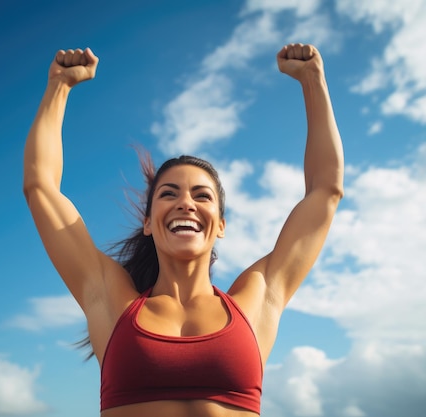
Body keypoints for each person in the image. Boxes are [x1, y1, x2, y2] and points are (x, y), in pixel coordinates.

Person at [23, 42, 344, 417]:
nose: (185, 203)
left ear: (220, 225)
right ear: (147, 222)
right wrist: (59, 86)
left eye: (202, 196)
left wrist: (313, 81)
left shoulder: (256, 301)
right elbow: (40, 188)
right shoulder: (111, 302)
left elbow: (326, 191)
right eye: (169, 193)